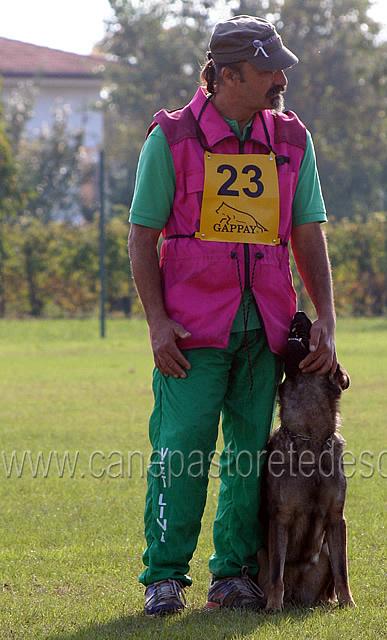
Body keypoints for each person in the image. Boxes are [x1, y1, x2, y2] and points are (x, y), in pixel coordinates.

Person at [128, 14, 337, 615]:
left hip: (264, 328)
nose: (281, 77)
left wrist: (324, 315)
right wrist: (157, 323)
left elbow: (306, 231)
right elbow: (143, 238)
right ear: (228, 75)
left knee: (249, 456)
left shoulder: (292, 140)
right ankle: (164, 576)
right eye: (269, 68)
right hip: (190, 333)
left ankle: (235, 576)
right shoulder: (170, 141)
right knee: (183, 450)